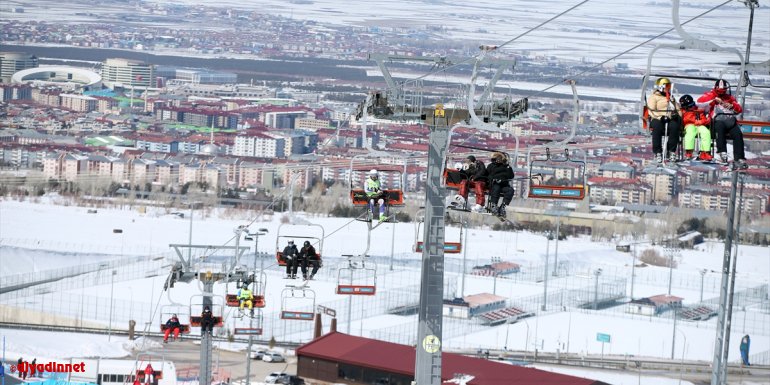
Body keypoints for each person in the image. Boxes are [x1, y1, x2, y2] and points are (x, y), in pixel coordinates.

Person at [697, 79, 747, 169]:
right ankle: (722, 152)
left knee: (738, 134)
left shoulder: (729, 98)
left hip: (729, 121)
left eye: (723, 91)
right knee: (720, 127)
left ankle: (739, 158)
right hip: (716, 121)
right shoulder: (709, 95)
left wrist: (732, 106)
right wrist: (713, 101)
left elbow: (739, 109)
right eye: (720, 91)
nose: (722, 93)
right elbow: (699, 102)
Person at [646, 77, 680, 164]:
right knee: (657, 127)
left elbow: (677, 108)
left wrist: (677, 115)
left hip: (669, 118)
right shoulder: (654, 97)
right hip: (657, 118)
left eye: (669, 86)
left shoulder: (671, 97)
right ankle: (658, 152)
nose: (668, 88)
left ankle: (671, 151)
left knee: (675, 126)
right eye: (667, 86)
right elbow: (651, 110)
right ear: (661, 87)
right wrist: (660, 117)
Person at [679, 94, 713, 161]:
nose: (692, 106)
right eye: (690, 106)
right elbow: (685, 120)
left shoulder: (698, 110)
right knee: (690, 132)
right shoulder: (683, 111)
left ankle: (705, 152)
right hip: (689, 125)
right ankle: (689, 151)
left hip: (700, 125)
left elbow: (704, 119)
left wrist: (701, 122)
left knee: (706, 132)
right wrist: (694, 121)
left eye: (693, 104)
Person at [485, 152, 514, 217]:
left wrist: (508, 167)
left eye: (499, 158)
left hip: (504, 185)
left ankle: (503, 206)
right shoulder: (491, 166)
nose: (498, 160)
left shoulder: (506, 167)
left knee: (510, 190)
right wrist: (493, 179)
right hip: (494, 184)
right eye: (497, 158)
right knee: (497, 187)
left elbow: (511, 176)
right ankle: (494, 205)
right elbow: (487, 175)